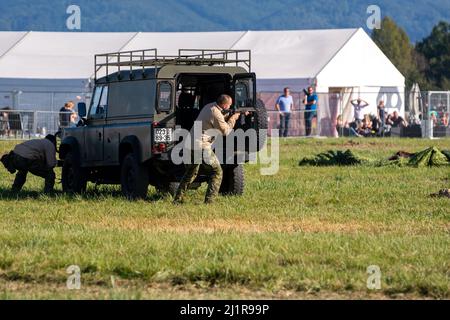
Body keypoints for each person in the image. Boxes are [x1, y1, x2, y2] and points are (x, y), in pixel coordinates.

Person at [173, 94, 241, 204]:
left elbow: (217, 119)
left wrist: (229, 114)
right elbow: (225, 131)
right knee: (217, 172)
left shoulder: (209, 106)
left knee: (190, 173)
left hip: (190, 144)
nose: (230, 107)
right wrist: (233, 118)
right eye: (229, 105)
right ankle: (209, 202)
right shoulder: (216, 113)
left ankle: (177, 199)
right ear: (224, 105)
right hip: (202, 147)